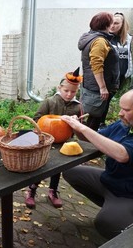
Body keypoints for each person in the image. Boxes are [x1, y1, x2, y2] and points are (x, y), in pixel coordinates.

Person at [60, 89, 133, 239]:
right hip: (109, 180)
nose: (120, 113)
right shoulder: (123, 124)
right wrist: (78, 127)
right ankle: (111, 206)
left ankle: (122, 215)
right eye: (120, 108)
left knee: (104, 223)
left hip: (127, 194)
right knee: (70, 171)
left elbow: (122, 154)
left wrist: (82, 128)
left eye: (126, 110)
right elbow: (95, 138)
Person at [25, 68, 83, 209]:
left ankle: (53, 191)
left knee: (58, 168)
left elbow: (81, 127)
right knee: (42, 166)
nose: (69, 94)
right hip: (46, 142)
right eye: (66, 91)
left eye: (73, 92)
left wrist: (76, 122)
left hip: (64, 143)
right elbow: (36, 119)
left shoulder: (78, 107)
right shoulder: (49, 102)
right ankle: (31, 190)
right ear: (59, 88)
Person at [78, 12, 119, 131]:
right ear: (107, 25)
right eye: (112, 22)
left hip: (93, 84)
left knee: (94, 117)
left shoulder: (92, 37)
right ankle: (88, 145)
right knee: (94, 119)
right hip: (97, 87)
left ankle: (90, 142)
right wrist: (102, 87)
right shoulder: (99, 41)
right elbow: (96, 63)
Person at [110, 12, 132, 88]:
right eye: (111, 22)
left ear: (122, 25)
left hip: (125, 79)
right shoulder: (105, 39)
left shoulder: (129, 40)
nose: (112, 26)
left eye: (116, 23)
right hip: (110, 79)